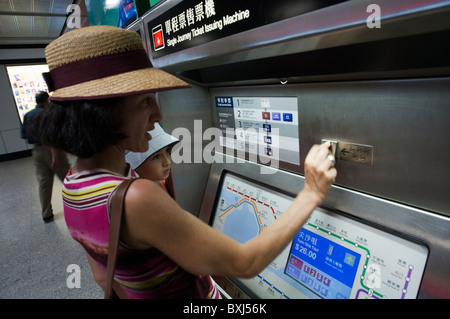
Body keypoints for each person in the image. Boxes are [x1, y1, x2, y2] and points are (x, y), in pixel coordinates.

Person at [34, 26, 337, 299]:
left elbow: (103, 276)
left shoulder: (73, 184)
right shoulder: (137, 197)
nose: (158, 115)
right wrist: (311, 192)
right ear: (104, 114)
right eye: (145, 102)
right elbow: (246, 263)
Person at [21, 91, 70, 223]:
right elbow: (51, 136)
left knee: (44, 182)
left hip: (37, 152)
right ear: (46, 100)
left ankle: (46, 214)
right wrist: (54, 156)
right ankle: (81, 205)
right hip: (52, 149)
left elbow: (25, 135)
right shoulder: (47, 114)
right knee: (68, 178)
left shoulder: (28, 115)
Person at [125, 123, 179, 199]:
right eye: (156, 157)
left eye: (168, 151)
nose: (167, 162)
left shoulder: (164, 184)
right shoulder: (140, 197)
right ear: (135, 165)